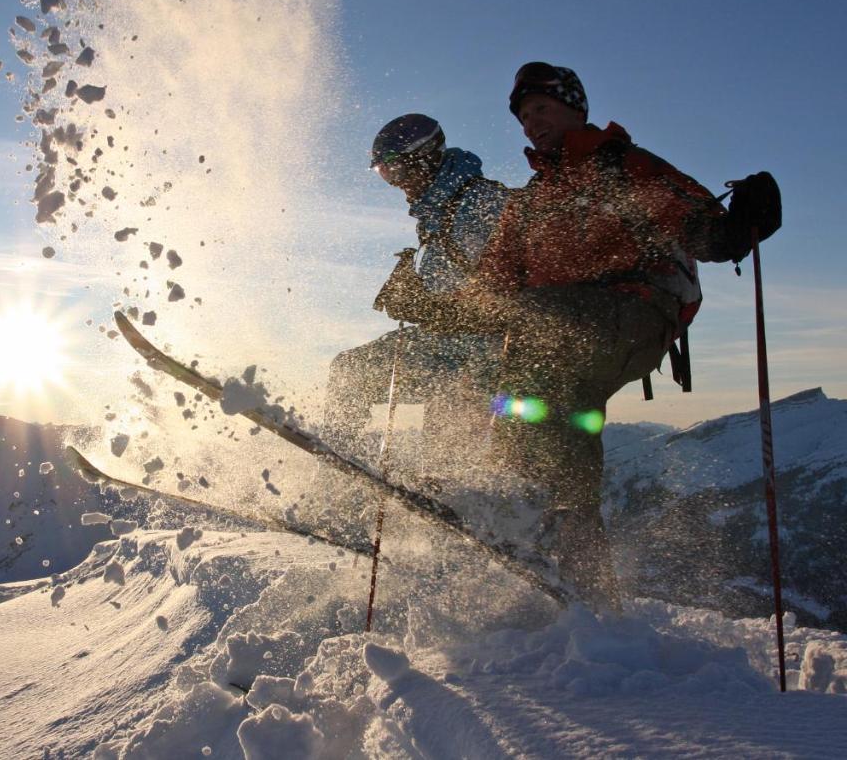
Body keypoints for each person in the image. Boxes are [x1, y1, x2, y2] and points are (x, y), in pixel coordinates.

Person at [382, 62, 781, 610]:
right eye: (523, 117)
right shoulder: (528, 205)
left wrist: (741, 224)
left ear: (576, 107)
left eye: (541, 109)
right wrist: (423, 307)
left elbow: (699, 227)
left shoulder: (617, 165)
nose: (531, 125)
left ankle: (512, 489)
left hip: (639, 312)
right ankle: (588, 583)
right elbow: (487, 298)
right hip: (575, 335)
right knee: (565, 425)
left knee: (538, 325)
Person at [323, 114, 510, 470]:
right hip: (454, 344)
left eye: (396, 171)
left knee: (449, 401)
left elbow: (498, 291)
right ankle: (344, 480)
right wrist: (417, 297)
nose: (394, 184)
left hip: (484, 351)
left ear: (425, 157)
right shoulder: (437, 215)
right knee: (350, 370)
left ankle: (460, 496)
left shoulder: (482, 203)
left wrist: (425, 302)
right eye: (384, 174)